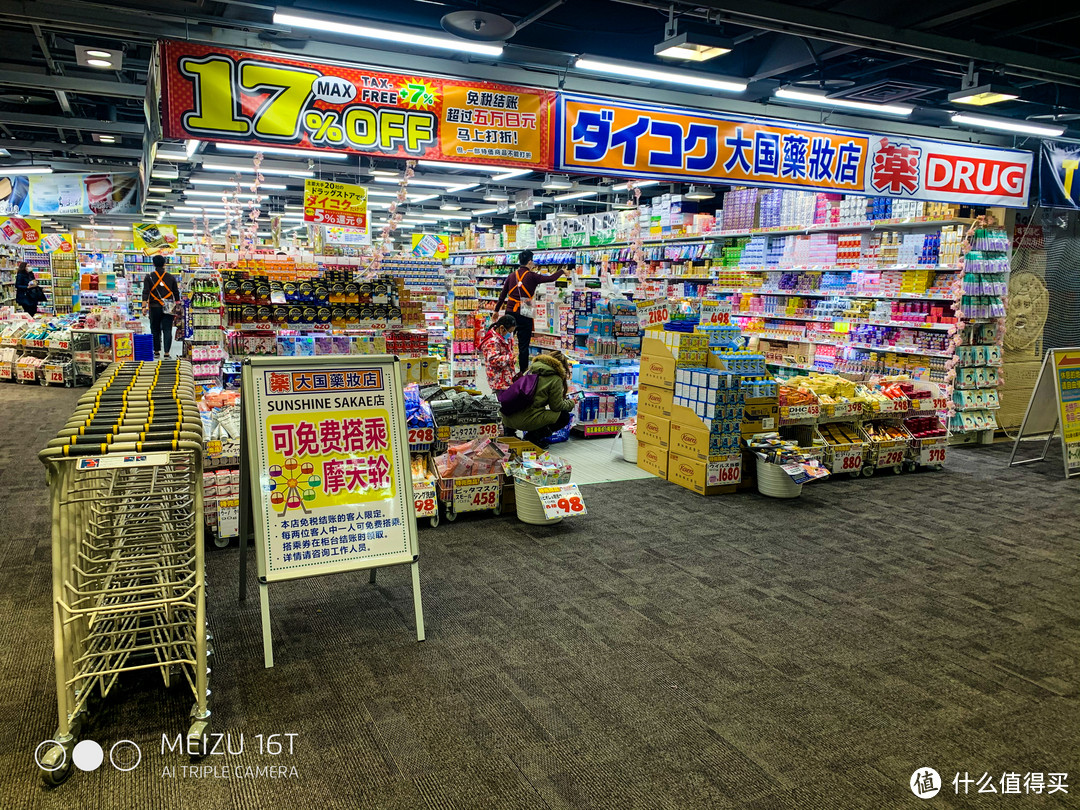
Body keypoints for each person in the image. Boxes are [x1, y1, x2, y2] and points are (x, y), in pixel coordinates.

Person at [493, 249, 565, 373]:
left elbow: (502, 295)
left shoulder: (511, 276)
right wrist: (562, 271)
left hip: (510, 311)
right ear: (530, 262)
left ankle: (502, 365)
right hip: (525, 311)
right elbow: (551, 278)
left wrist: (496, 310)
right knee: (523, 345)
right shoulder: (532, 276)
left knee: (504, 340)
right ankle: (523, 372)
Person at [501, 351, 575, 448]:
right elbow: (556, 406)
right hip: (525, 420)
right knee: (563, 416)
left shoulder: (531, 370)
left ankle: (509, 433)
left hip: (507, 417)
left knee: (535, 410)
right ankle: (533, 438)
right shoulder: (555, 379)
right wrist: (571, 403)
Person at [142, 254, 181, 359]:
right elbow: (176, 292)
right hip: (168, 307)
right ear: (164, 264)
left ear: (153, 264)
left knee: (155, 329)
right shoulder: (171, 277)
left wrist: (143, 306)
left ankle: (156, 351)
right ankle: (167, 353)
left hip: (154, 306)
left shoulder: (149, 277)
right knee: (167, 329)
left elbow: (145, 292)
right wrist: (177, 305)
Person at [479, 314, 518, 393]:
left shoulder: (507, 339)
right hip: (499, 382)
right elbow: (493, 360)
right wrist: (510, 357)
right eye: (509, 332)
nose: (510, 335)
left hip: (508, 379)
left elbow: (509, 353)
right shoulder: (492, 342)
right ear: (501, 328)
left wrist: (513, 359)